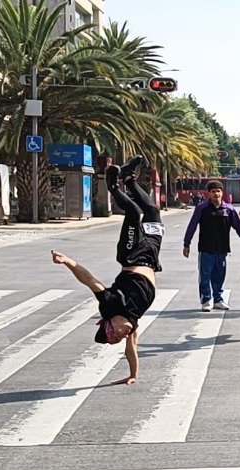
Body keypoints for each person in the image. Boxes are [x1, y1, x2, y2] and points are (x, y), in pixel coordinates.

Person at [50, 155, 163, 385]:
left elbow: (90, 280)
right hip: (151, 254)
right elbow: (131, 350)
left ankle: (112, 185)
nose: (123, 335)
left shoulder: (110, 304)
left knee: (133, 213)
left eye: (117, 334)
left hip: (131, 254)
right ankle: (129, 178)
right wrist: (133, 375)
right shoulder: (132, 321)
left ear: (111, 322)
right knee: (152, 211)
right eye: (120, 338)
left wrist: (69, 262)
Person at [182, 180, 240, 311]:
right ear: (208, 193)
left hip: (222, 249)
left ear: (222, 192)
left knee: (219, 275)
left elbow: (239, 228)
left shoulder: (229, 210)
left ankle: (218, 300)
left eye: (218, 191)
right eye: (213, 191)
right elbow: (192, 226)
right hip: (205, 249)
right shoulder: (201, 209)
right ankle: (206, 300)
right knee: (205, 276)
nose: (216, 194)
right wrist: (187, 244)